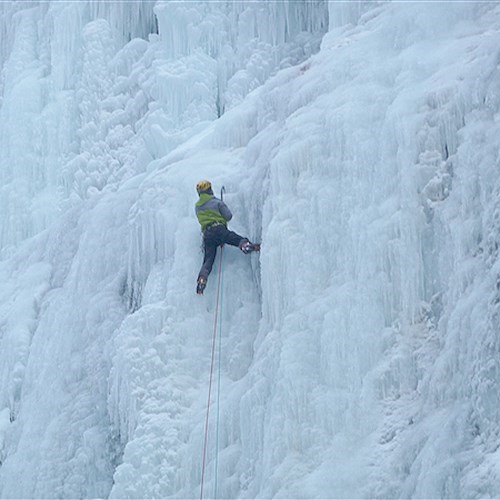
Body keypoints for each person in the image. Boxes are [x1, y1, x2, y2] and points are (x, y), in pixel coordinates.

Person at [195, 180, 260, 295]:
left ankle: (202, 278)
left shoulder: (197, 207)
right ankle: (245, 245)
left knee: (208, 259)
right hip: (218, 229)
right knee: (233, 238)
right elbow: (228, 216)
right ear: (210, 190)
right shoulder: (216, 202)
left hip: (208, 234)